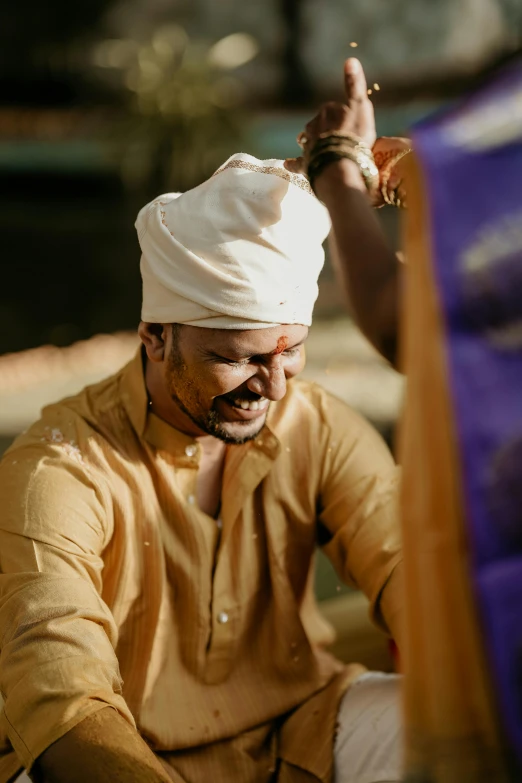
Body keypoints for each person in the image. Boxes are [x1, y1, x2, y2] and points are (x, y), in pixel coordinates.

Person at [0, 154, 404, 783]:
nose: (271, 387)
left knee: (444, 725)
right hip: (122, 755)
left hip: (303, 731)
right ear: (155, 336)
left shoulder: (315, 425)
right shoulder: (57, 467)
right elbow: (65, 704)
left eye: (291, 351)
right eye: (236, 357)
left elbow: (412, 570)